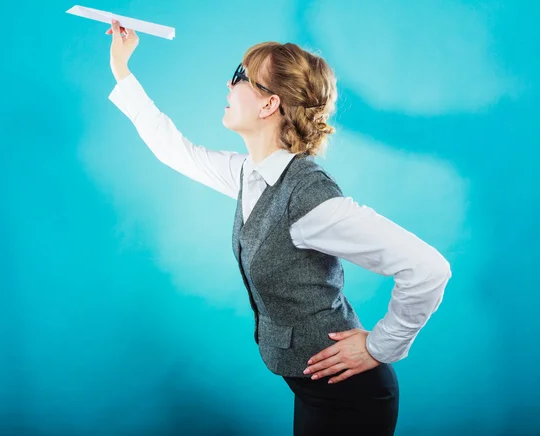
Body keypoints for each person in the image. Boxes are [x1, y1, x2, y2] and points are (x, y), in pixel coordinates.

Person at [104, 20, 452, 436]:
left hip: (351, 398)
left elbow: (428, 269)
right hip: (312, 391)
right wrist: (122, 71)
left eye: (239, 77)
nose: (227, 85)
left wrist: (381, 346)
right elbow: (175, 151)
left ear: (269, 105)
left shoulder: (309, 198)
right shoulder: (249, 174)